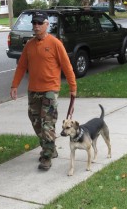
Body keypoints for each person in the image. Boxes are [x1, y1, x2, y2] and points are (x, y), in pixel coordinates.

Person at [10, 11, 77, 171]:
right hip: (33, 90)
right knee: (36, 122)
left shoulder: (55, 44)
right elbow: (22, 66)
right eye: (34, 23)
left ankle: (46, 157)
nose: (36, 26)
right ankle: (51, 148)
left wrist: (73, 87)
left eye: (40, 23)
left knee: (47, 124)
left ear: (47, 24)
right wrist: (14, 85)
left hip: (50, 90)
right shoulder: (29, 45)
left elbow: (67, 67)